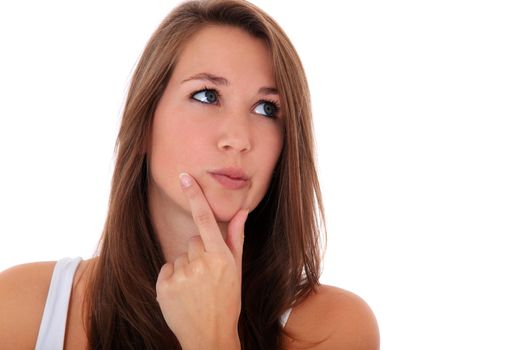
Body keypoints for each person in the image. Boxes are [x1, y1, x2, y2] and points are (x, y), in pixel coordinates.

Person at [0, 0, 379, 349]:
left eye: (266, 108)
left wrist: (212, 336)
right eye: (207, 95)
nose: (238, 139)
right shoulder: (24, 309)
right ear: (145, 122)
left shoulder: (333, 328)